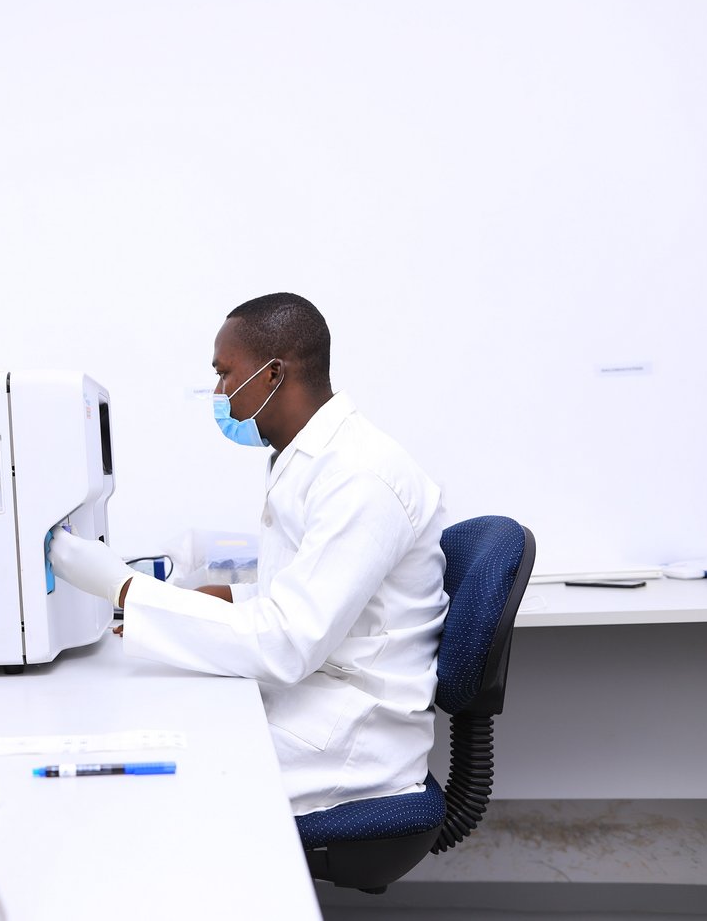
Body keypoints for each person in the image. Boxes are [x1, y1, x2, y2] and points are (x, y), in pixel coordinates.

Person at [49, 293, 448, 816]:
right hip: (315, 694)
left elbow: (286, 641)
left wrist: (123, 587)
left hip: (352, 739)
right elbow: (304, 595)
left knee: (155, 776)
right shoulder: (311, 459)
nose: (219, 393)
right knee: (156, 725)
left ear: (273, 374)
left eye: (224, 374)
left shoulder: (359, 476)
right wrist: (230, 598)